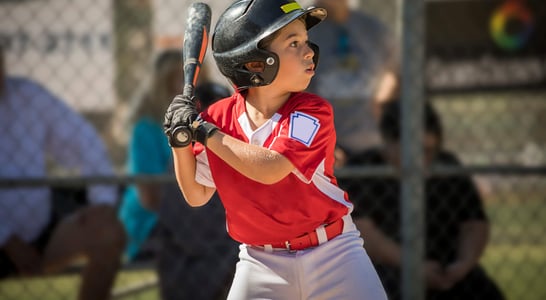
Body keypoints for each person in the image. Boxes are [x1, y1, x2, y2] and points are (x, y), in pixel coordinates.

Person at [162, 1, 388, 299]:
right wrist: (180, 141)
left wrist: (202, 131)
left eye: (305, 42)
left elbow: (271, 168)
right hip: (261, 263)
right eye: (294, 43)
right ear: (254, 63)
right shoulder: (218, 120)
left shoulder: (311, 112)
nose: (309, 52)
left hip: (334, 254)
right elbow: (196, 194)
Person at [344, 100, 505, 300]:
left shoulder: (446, 164)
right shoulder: (362, 168)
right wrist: (414, 267)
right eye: (415, 151)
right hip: (388, 268)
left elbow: (474, 222)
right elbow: (362, 232)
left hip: (445, 266)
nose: (423, 159)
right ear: (388, 141)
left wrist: (463, 264)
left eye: (430, 150)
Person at [0, 45, 126, 300]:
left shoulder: (27, 96)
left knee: (108, 232)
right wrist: (7, 240)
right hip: (4, 240)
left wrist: (101, 203)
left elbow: (85, 141)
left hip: (40, 232)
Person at [307, 0, 399, 167]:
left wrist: (380, 101)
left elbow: (393, 71)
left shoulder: (372, 28)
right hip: (326, 141)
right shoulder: (305, 29)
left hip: (371, 141)